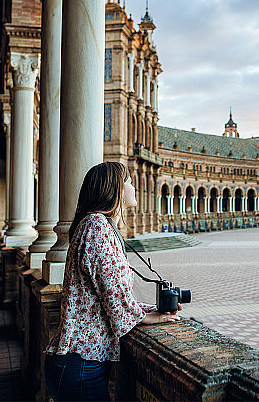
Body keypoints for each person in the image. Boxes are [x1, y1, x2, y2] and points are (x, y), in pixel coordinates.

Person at [44, 162, 180, 401]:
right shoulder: (97, 227)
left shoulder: (97, 225)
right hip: (81, 363)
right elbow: (116, 300)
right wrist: (146, 317)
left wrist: (151, 309)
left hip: (81, 362)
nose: (133, 186)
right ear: (114, 188)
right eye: (128, 181)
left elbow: (107, 296)